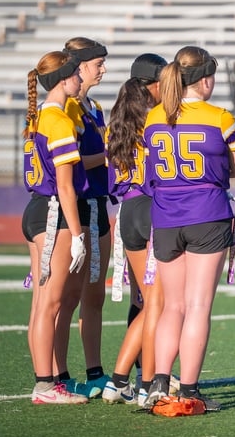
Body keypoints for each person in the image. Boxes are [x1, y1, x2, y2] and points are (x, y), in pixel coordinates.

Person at [143, 46, 235, 410]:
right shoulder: (220, 117)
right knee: (198, 306)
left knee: (172, 306)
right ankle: (188, 389)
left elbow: (150, 168)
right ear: (205, 79)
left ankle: (158, 383)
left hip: (166, 216)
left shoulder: (154, 116)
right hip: (207, 212)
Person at [22, 50, 88, 404]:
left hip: (36, 209)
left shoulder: (39, 117)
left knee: (40, 304)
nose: (80, 78)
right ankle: (45, 385)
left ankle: (47, 382)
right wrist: (77, 234)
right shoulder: (59, 121)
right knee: (51, 304)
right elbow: (65, 187)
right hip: (53, 214)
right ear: (63, 79)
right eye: (76, 73)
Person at [102, 54, 168, 406]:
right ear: (154, 84)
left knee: (147, 303)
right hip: (154, 208)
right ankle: (146, 384)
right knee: (157, 303)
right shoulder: (158, 118)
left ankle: (117, 381)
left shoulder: (118, 119)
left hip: (126, 211)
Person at [54, 37, 112, 398]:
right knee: (66, 297)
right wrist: (110, 153)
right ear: (79, 66)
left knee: (95, 296)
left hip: (99, 206)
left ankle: (95, 371)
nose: (103, 69)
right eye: (97, 64)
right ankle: (57, 374)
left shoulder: (95, 106)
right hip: (79, 208)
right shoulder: (69, 108)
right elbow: (73, 160)